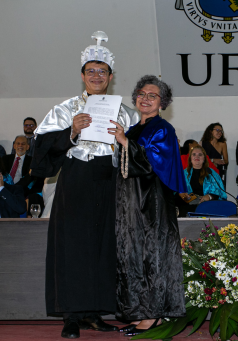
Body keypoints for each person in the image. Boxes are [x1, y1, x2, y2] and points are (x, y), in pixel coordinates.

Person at [30, 31, 140, 338]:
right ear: (82, 75)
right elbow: (39, 153)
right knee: (73, 246)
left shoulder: (126, 113)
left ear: (110, 76)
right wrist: (71, 133)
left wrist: (123, 140)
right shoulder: (65, 110)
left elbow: (141, 155)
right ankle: (71, 314)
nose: (96, 75)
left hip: (110, 181)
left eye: (101, 72)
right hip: (76, 179)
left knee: (105, 246)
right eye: (90, 71)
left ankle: (95, 311)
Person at [108, 75, 187, 336]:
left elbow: (152, 164)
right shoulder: (132, 129)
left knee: (153, 255)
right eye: (141, 94)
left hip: (152, 202)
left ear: (162, 102)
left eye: (152, 95)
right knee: (133, 255)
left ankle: (154, 315)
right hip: (131, 203)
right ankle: (140, 311)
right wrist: (121, 143)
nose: (145, 98)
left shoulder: (163, 129)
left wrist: (125, 144)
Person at [177, 145, 227, 217]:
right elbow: (176, 191)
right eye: (194, 154)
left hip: (207, 206)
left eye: (200, 155)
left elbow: (219, 192)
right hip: (187, 206)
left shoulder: (211, 173)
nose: (196, 157)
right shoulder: (183, 174)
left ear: (204, 159)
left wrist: (209, 196)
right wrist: (182, 194)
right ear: (190, 158)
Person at [3, 135, 44, 217]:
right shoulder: (5, 159)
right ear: (14, 146)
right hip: (6, 189)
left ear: (28, 147)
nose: (20, 146)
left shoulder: (33, 161)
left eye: (23, 144)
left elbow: (35, 180)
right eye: (18, 143)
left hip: (23, 191)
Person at [200, 123, 228, 187]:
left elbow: (226, 161)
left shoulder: (222, 143)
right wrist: (213, 160)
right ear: (210, 131)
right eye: (217, 130)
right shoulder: (202, 143)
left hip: (217, 170)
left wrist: (222, 161)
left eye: (221, 131)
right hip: (205, 170)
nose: (220, 133)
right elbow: (200, 160)